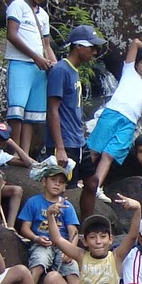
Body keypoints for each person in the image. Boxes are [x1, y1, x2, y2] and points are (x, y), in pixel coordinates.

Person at [81, 37, 142, 216]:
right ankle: (80, 179)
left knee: (109, 154)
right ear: (137, 64)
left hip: (130, 122)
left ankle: (96, 186)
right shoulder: (129, 71)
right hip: (113, 112)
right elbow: (136, 42)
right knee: (94, 149)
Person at [5, 0, 57, 154]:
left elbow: (46, 44)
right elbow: (12, 35)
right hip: (21, 63)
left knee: (32, 115)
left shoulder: (43, 15)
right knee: (17, 111)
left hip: (40, 68)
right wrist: (35, 57)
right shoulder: (18, 6)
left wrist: (55, 65)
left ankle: (24, 153)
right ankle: (14, 152)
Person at [47, 22, 104, 184]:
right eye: (92, 47)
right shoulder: (61, 70)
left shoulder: (73, 70)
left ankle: (88, 211)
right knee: (65, 187)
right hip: (65, 141)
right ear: (78, 46)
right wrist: (60, 148)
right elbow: (53, 110)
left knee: (92, 182)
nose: (95, 52)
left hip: (78, 140)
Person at [15, 162, 80, 284]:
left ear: (65, 187)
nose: (57, 184)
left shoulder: (67, 206)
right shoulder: (33, 202)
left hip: (62, 244)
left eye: (61, 182)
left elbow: (74, 232)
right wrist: (36, 238)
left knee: (72, 269)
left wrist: (71, 250)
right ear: (44, 182)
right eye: (53, 180)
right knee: (39, 263)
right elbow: (24, 228)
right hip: (42, 242)